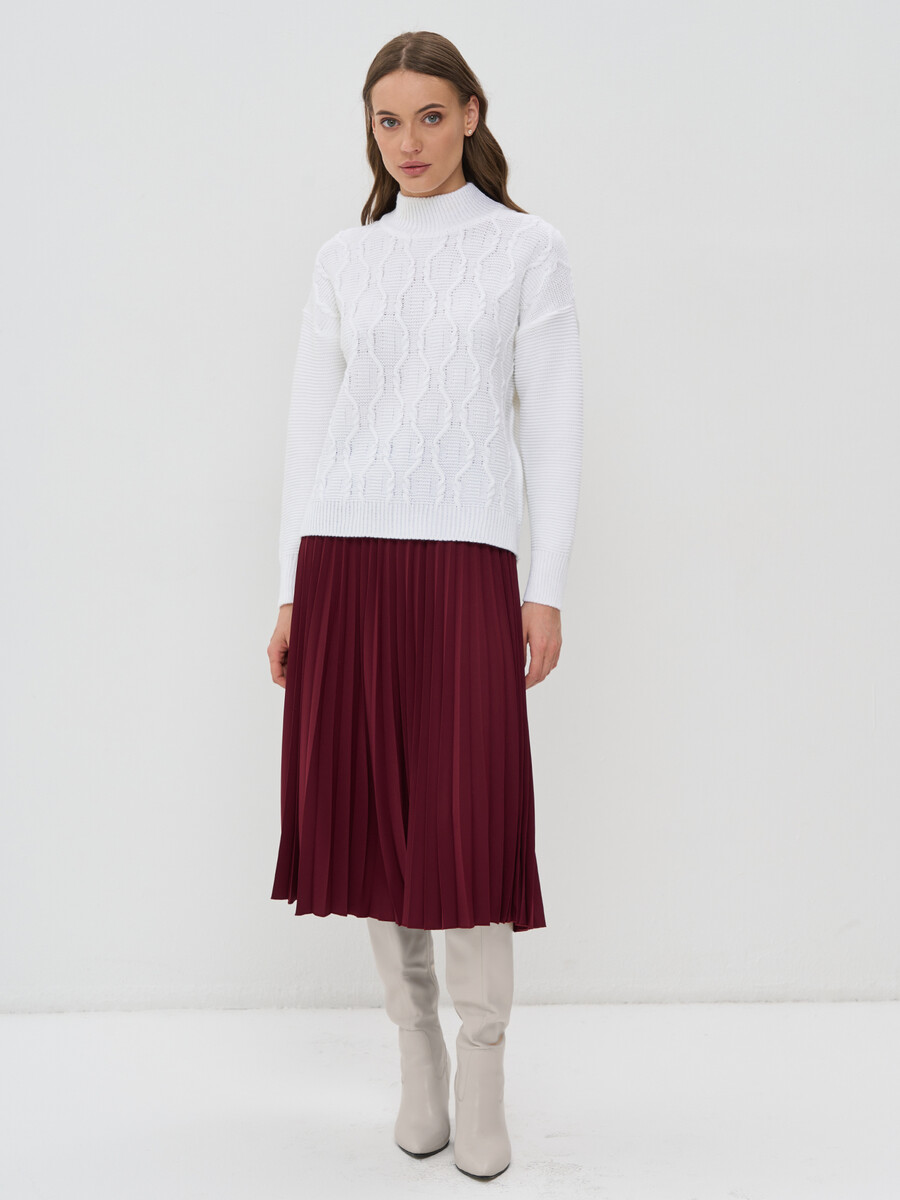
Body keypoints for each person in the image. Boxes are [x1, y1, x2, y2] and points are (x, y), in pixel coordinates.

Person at [266, 30, 583, 1183]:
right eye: (388, 120)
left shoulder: (527, 250)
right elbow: (310, 430)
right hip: (346, 560)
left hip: (466, 562)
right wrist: (290, 589)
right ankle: (418, 1063)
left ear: (472, 114)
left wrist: (545, 586)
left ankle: (483, 1071)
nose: (409, 141)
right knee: (375, 819)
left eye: (431, 117)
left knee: (469, 821)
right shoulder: (345, 260)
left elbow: (553, 420)